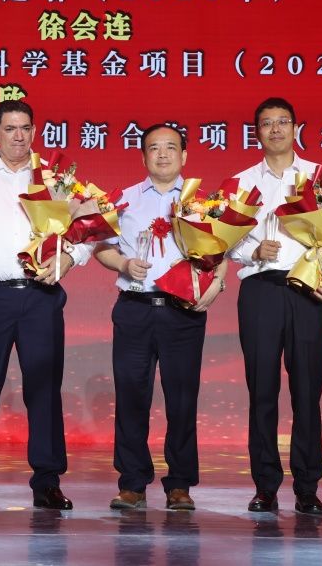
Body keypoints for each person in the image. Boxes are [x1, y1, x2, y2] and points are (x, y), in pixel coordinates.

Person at [0, 100, 92, 511]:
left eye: (26, 128)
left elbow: (88, 229)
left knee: (44, 389)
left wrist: (69, 259)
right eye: (10, 128)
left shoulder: (56, 176)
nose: (19, 136)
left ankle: (47, 481)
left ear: (34, 131)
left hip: (39, 295)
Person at [93, 123, 227, 512]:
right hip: (135, 308)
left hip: (182, 313)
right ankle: (132, 483)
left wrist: (218, 283)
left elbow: (224, 251)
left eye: (171, 147)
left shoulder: (204, 204)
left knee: (182, 399)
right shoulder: (124, 200)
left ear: (184, 155)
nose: (163, 154)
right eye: (154, 148)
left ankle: (180, 484)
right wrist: (123, 264)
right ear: (143, 156)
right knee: (131, 396)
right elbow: (101, 247)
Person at [228, 97, 322, 517]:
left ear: (296, 128)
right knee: (262, 389)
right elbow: (225, 240)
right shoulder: (241, 182)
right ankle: (266, 486)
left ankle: (308, 487)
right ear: (256, 132)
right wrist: (254, 251)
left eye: (282, 122)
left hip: (307, 291)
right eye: (266, 123)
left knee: (307, 389)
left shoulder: (320, 176)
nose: (275, 129)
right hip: (260, 290)